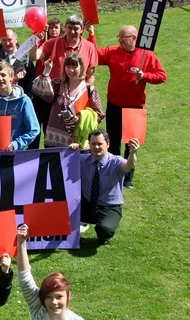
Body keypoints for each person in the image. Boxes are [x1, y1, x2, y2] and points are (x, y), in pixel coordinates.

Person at [94, 24, 166, 188]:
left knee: (131, 144)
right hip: (114, 105)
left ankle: (128, 178)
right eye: (119, 37)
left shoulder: (146, 55)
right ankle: (113, 171)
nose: (119, 40)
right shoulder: (113, 52)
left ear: (134, 38)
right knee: (113, 140)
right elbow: (95, 56)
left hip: (135, 107)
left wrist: (145, 75)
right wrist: (91, 35)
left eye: (123, 37)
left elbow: (162, 76)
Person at [74, 130, 140, 245]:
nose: (96, 147)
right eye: (93, 144)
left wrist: (132, 153)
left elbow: (128, 166)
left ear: (107, 144)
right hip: (86, 203)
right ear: (89, 145)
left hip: (109, 206)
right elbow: (63, 160)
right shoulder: (82, 160)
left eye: (100, 144)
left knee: (104, 229)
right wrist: (71, 150)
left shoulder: (116, 161)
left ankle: (102, 234)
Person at [16, 224, 89, 320]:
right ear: (42, 298)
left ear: (68, 296)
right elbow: (24, 277)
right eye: (48, 297)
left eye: (59, 297)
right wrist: (21, 243)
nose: (54, 302)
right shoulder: (38, 307)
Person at [32, 54, 104, 148]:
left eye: (74, 67)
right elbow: (38, 91)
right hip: (54, 140)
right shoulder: (58, 84)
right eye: (68, 66)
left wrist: (81, 117)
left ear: (81, 67)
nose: (71, 70)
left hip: (77, 141)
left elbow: (99, 114)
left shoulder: (89, 89)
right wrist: (47, 70)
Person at [0, 61, 39, 151]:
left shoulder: (23, 100)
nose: (0, 78)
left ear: (11, 77)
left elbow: (34, 129)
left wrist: (16, 144)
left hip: (15, 154)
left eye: (3, 75)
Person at [30, 14, 97, 84]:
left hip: (79, 91)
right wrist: (36, 40)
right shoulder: (52, 43)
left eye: (76, 28)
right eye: (69, 28)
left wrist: (87, 91)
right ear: (65, 28)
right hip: (56, 91)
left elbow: (90, 75)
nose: (72, 31)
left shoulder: (89, 47)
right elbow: (34, 57)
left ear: (81, 30)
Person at [29, 17, 63, 149]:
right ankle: (33, 150)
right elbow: (33, 56)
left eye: (56, 27)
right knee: (37, 119)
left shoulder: (62, 44)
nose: (54, 30)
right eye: (51, 27)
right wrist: (37, 38)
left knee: (50, 122)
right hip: (40, 88)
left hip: (54, 89)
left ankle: (50, 149)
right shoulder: (44, 43)